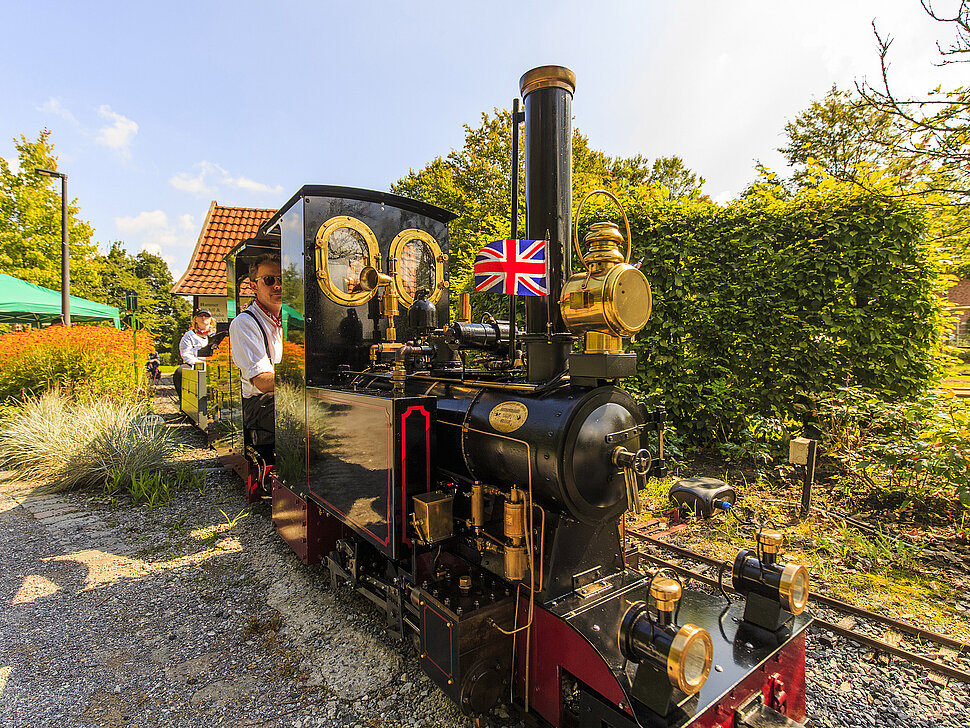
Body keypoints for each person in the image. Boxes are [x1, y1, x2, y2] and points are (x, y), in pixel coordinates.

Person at [229, 255, 283, 465]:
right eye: (269, 280)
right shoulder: (244, 323)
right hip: (257, 403)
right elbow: (261, 382)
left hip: (287, 393)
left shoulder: (295, 319)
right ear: (254, 286)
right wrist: (306, 380)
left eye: (282, 279)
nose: (277, 286)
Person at [173, 309, 215, 405]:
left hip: (215, 364)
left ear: (211, 319)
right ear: (195, 319)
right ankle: (186, 404)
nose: (203, 318)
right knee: (180, 372)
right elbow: (186, 354)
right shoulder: (189, 335)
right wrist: (200, 364)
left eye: (206, 316)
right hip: (194, 363)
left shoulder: (216, 334)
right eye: (200, 316)